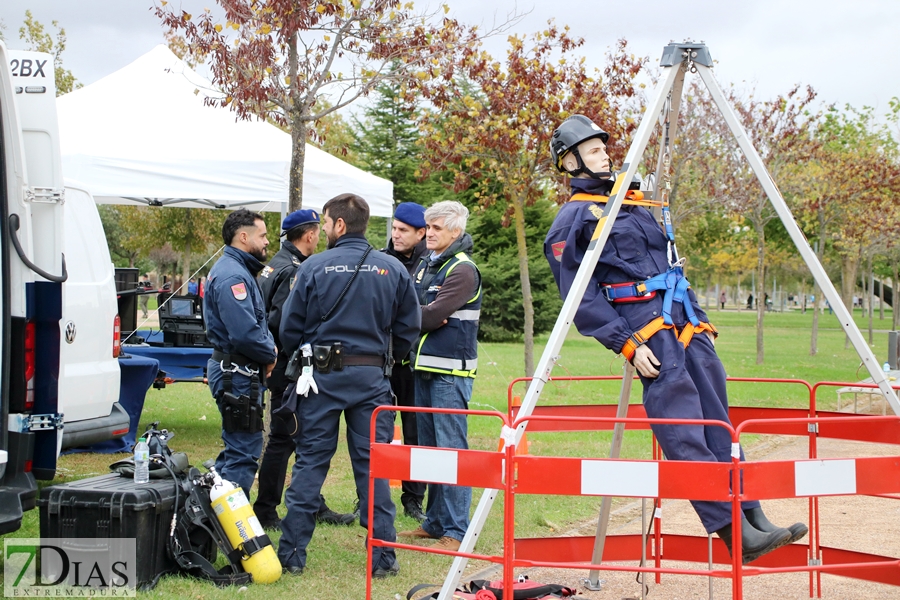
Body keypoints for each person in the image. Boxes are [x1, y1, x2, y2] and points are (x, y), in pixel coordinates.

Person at [542, 114, 806, 564]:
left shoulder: (635, 204)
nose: (604, 152)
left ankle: (753, 514)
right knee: (683, 430)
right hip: (648, 334)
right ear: (569, 163)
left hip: (686, 324)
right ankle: (730, 530)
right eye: (591, 149)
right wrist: (626, 343)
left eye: (603, 146)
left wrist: (699, 319)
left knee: (719, 425)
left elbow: (671, 267)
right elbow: (579, 297)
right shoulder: (575, 219)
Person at [277, 193, 420, 578]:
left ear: (339, 225)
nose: (322, 229)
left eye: (324, 223)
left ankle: (291, 556)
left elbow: (290, 328)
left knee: (310, 465)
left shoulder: (313, 267)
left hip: (321, 377)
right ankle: (384, 560)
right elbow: (409, 326)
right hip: (372, 378)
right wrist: (383, 357)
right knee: (375, 468)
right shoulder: (392, 268)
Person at [254, 208, 354, 530]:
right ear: (309, 235)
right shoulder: (293, 270)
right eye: (319, 229)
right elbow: (281, 322)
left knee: (299, 438)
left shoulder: (274, 263)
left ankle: (312, 504)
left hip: (280, 366)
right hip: (288, 368)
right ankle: (267, 509)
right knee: (285, 439)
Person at [398, 201, 481, 553]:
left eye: (436, 229)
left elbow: (429, 318)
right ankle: (434, 524)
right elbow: (413, 310)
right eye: (427, 228)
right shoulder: (428, 265)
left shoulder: (462, 270)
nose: (428, 234)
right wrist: (417, 313)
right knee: (430, 452)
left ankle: (457, 530)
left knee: (451, 452)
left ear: (455, 232)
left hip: (450, 374)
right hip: (424, 369)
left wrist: (417, 314)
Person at [204, 208, 277, 499]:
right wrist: (270, 355)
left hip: (239, 372)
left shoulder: (238, 270)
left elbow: (257, 323)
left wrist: (268, 347)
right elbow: (244, 333)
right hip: (237, 374)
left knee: (238, 448)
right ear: (244, 237)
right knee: (243, 452)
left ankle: (212, 516)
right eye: (263, 235)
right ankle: (233, 528)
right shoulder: (232, 275)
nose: (267, 242)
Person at [380, 202, 429, 523]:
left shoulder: (432, 262)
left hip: (415, 363)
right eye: (394, 229)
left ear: (421, 233)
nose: (395, 235)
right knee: (377, 431)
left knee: (416, 433)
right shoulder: (379, 260)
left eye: (403, 231)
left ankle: (414, 497)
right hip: (381, 361)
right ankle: (371, 495)